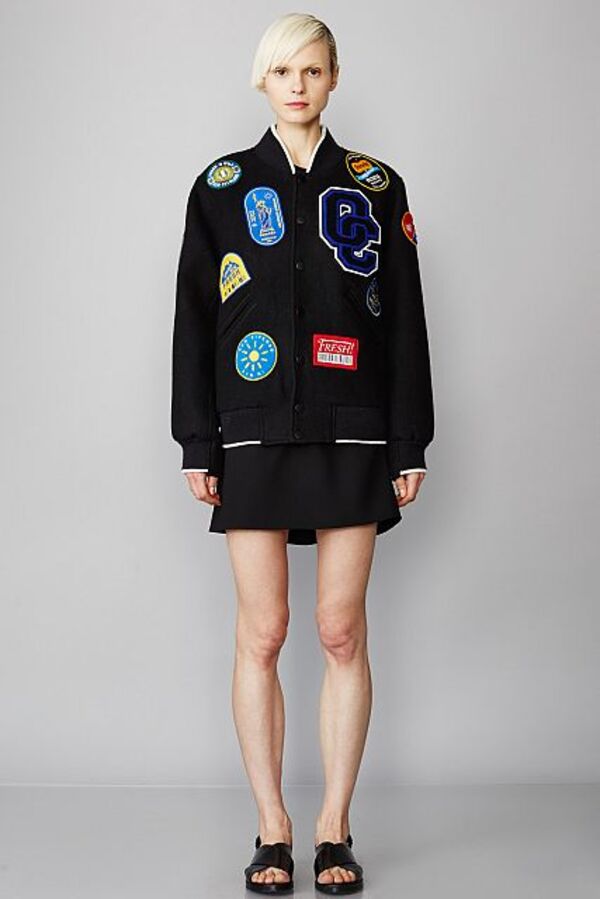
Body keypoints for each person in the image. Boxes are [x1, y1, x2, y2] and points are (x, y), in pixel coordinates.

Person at [171, 12, 434, 894]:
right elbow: (193, 320)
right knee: (263, 631)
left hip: (352, 423)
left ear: (333, 78)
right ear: (263, 78)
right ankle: (272, 827)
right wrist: (197, 439)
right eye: (283, 70)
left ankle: (333, 828)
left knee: (339, 629)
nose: (297, 85)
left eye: (312, 70)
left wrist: (409, 437)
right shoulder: (219, 187)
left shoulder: (375, 185)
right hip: (249, 428)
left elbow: (406, 320)